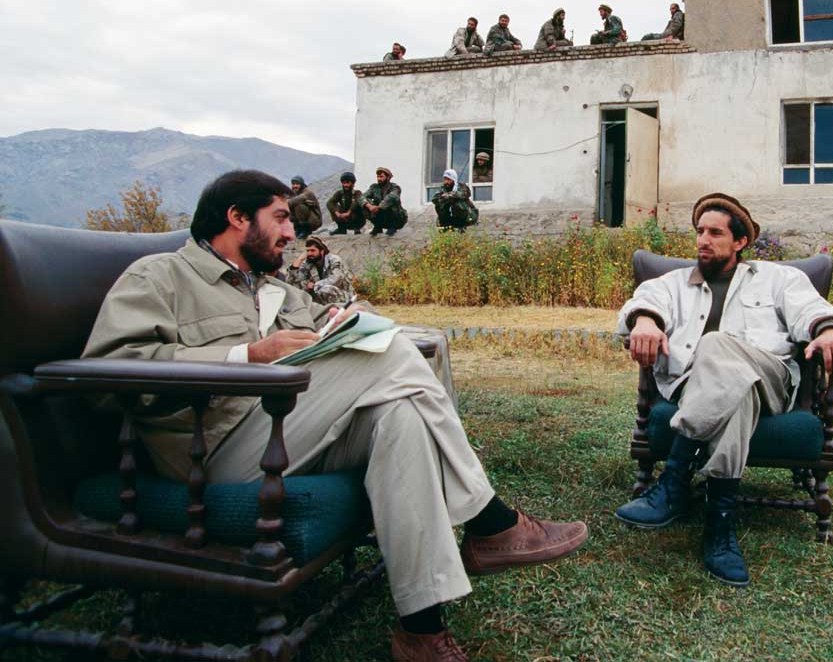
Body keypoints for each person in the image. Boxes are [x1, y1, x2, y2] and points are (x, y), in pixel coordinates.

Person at [82, 170, 589, 661]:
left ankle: (421, 631)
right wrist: (247, 356)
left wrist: (342, 324)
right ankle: (490, 520)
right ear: (236, 217)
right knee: (389, 355)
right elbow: (105, 372)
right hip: (210, 452)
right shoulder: (160, 275)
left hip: (285, 434)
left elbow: (328, 329)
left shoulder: (278, 290)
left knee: (401, 416)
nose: (292, 230)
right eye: (280, 218)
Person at [613, 193, 833, 587]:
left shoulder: (778, 278)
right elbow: (643, 301)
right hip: (698, 387)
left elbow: (812, 308)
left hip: (771, 379)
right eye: (699, 232)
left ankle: (674, 480)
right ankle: (720, 528)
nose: (703, 240)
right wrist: (645, 322)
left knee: (715, 344)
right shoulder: (673, 283)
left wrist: (828, 330)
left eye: (715, 233)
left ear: (740, 241)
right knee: (734, 393)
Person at [286, 236, 354, 305]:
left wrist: (314, 285)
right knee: (297, 288)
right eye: (307, 251)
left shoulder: (334, 260)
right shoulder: (308, 263)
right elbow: (292, 283)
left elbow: (335, 280)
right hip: (319, 293)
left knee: (325, 289)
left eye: (312, 250)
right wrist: (298, 262)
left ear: (322, 251)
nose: (309, 254)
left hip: (343, 295)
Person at [364, 166, 408, 236]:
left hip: (396, 218)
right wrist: (369, 206)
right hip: (381, 216)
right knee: (364, 204)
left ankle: (392, 227)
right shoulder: (374, 187)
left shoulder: (395, 187)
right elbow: (362, 197)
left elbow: (391, 198)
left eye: (381, 177)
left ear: (388, 178)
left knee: (390, 203)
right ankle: (378, 226)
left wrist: (378, 207)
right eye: (378, 177)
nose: (379, 179)